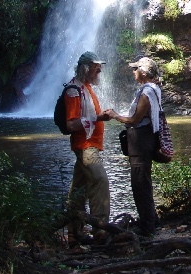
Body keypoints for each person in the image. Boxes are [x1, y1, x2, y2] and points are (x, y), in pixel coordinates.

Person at [105, 57, 162, 237]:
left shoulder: (147, 91)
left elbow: (134, 120)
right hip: (146, 139)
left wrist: (114, 115)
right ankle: (152, 221)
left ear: (143, 73)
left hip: (140, 141)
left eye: (135, 68)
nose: (133, 71)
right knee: (144, 181)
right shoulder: (153, 88)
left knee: (140, 184)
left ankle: (147, 229)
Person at [63, 51, 111, 247]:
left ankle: (74, 233)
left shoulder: (87, 88)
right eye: (95, 67)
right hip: (85, 145)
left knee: (78, 190)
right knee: (100, 180)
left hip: (90, 144)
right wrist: (98, 118)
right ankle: (100, 231)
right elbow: (71, 125)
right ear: (85, 68)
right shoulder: (74, 91)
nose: (99, 70)